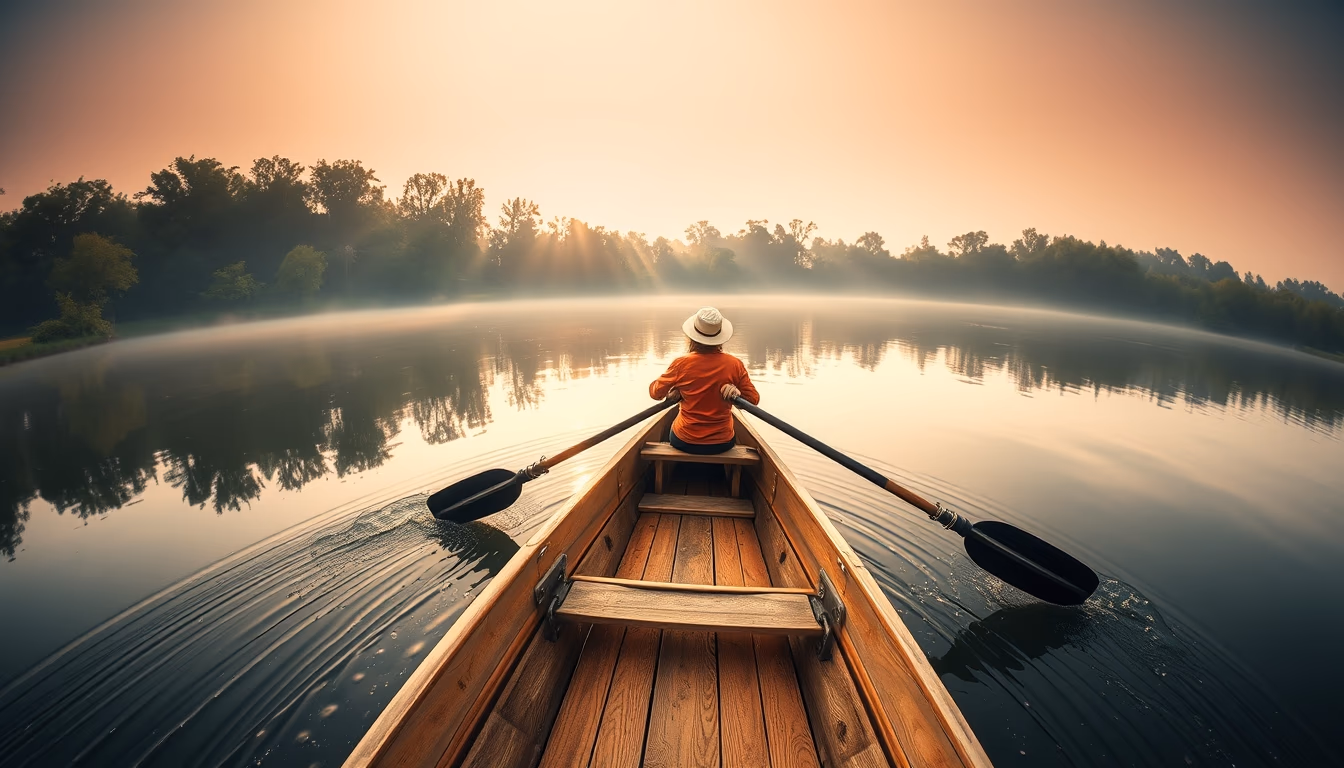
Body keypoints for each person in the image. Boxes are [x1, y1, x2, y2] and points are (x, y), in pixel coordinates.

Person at [649, 306, 760, 454]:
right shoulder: (735, 364)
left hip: (684, 441)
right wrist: (738, 394)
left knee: (672, 425)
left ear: (691, 337)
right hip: (722, 442)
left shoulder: (681, 364)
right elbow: (753, 400)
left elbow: (655, 393)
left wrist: (675, 389)